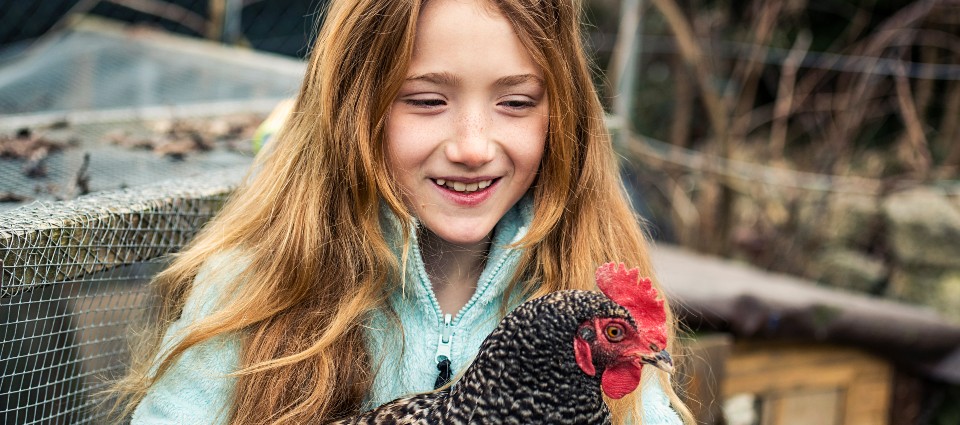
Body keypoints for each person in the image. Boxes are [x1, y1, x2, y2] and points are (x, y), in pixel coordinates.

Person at [114, 0, 694, 423]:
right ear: (354, 110)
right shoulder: (253, 287)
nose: (472, 146)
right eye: (426, 101)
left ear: (561, 118)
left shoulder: (582, 291)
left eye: (515, 102)